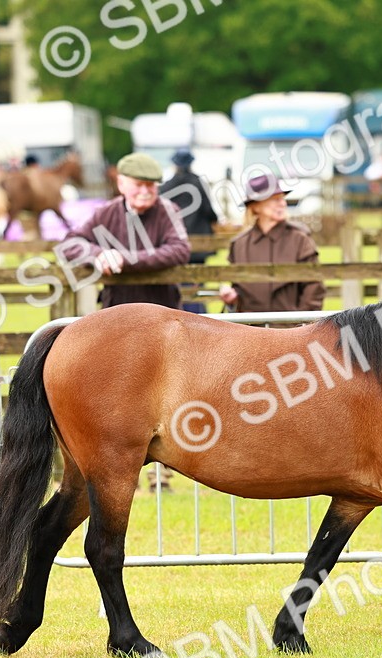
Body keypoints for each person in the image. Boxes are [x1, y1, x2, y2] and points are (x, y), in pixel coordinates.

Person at [58, 151, 190, 493]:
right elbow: (70, 244)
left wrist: (127, 259)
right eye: (140, 185)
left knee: (168, 395)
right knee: (118, 398)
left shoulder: (168, 211)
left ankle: (164, 469)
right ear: (122, 184)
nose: (147, 191)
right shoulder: (105, 214)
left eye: (152, 186)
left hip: (164, 321)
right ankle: (108, 464)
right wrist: (97, 254)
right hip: (116, 320)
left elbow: (178, 250)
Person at [219, 174, 325, 314]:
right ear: (256, 206)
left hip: (291, 329)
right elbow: (239, 289)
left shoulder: (300, 239)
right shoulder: (239, 244)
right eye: (275, 199)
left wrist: (301, 325)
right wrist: (232, 297)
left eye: (282, 198)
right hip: (250, 330)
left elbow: (314, 288)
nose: (282, 203)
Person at [160, 148, 220, 313]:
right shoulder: (197, 183)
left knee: (178, 282)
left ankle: (181, 312)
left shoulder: (166, 187)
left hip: (174, 245)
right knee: (197, 282)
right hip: (197, 245)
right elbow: (209, 211)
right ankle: (198, 314)